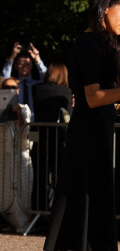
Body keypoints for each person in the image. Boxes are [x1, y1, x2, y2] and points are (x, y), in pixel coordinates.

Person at [43, 0, 120, 251]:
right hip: (89, 136)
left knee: (88, 199)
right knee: (87, 198)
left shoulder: (98, 44)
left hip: (94, 131)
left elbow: (99, 101)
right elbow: (93, 98)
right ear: (106, 8)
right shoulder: (89, 44)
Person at [30, 63, 73, 211]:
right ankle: (57, 212)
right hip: (58, 139)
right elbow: (68, 115)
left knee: (39, 177)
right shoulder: (66, 92)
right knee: (58, 178)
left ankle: (38, 210)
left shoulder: (37, 89)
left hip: (40, 138)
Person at [0, 77, 33, 233]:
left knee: (21, 190)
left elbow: (26, 135)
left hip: (20, 157)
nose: (10, 90)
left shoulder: (24, 108)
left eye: (13, 87)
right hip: (3, 158)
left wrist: (20, 114)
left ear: (18, 90)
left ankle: (23, 223)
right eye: (6, 87)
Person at [1, 43, 47, 121]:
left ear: (32, 65)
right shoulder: (13, 85)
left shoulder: (37, 84)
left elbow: (47, 77)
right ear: (15, 66)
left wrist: (37, 59)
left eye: (27, 64)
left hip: (35, 122)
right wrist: (13, 56)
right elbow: (4, 78)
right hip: (16, 122)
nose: (24, 67)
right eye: (21, 64)